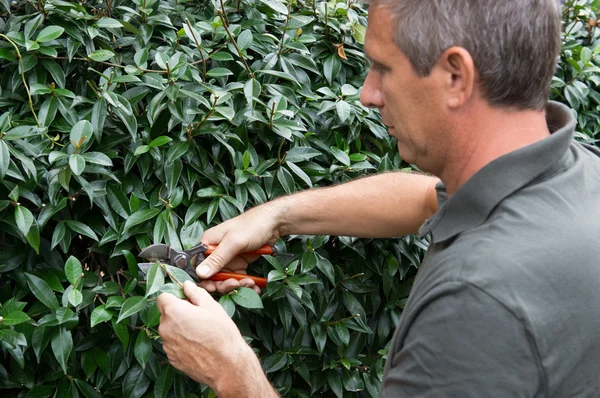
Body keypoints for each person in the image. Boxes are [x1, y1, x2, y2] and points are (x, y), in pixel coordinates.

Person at [156, 0, 600, 396]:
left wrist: (232, 373)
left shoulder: (475, 306)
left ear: (455, 76)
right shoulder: (575, 172)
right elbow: (428, 198)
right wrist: (278, 216)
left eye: (383, 67)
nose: (368, 95)